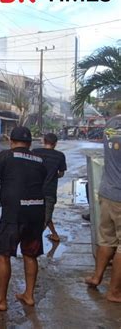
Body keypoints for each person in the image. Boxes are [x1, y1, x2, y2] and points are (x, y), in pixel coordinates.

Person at [0, 126, 46, 311]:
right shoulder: (40, 160)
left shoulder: (5, 156)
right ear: (30, 143)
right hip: (36, 212)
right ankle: (29, 296)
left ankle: (0, 300)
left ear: (11, 141)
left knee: (3, 255)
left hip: (14, 214)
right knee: (30, 254)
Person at [85, 115, 121, 303]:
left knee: (107, 239)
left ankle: (96, 277)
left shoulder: (112, 123)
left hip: (107, 192)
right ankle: (114, 292)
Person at [33, 133, 67, 242]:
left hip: (34, 190)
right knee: (46, 217)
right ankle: (34, 241)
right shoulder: (60, 156)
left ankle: (49, 236)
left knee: (42, 217)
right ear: (55, 144)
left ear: (43, 141)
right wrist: (52, 176)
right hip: (49, 191)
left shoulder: (35, 152)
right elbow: (61, 174)